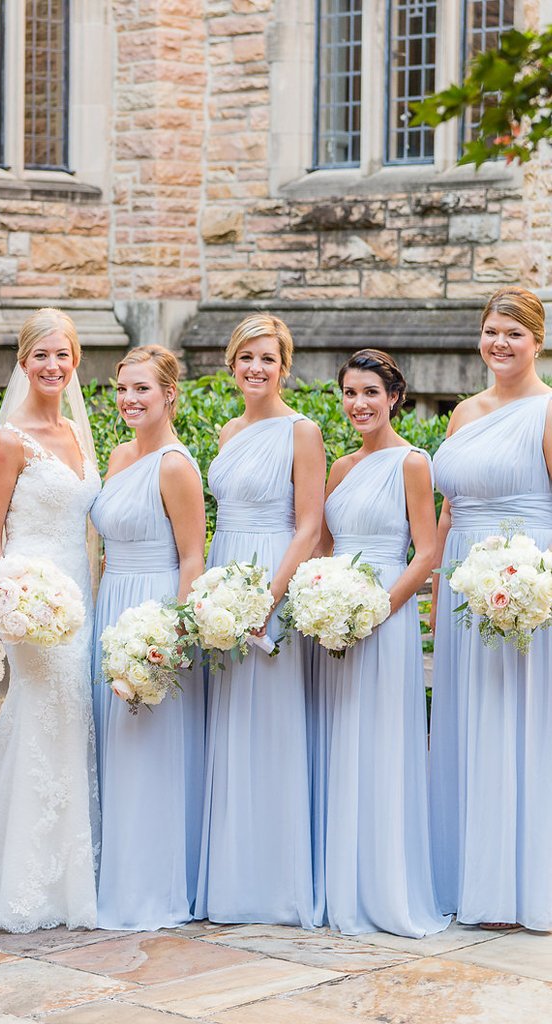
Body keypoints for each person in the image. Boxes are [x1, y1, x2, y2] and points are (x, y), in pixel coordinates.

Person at [0, 308, 101, 932]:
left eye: (62, 355)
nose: (52, 366)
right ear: (24, 364)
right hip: (34, 603)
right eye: (40, 356)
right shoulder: (10, 439)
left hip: (80, 598)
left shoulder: (76, 432)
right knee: (47, 715)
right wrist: (7, 599)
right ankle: (23, 883)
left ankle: (76, 873)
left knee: (75, 721)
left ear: (74, 363)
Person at [310, 349, 448, 937]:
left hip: (383, 623)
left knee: (384, 747)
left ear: (394, 397)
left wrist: (376, 609)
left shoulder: (413, 463)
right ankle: (341, 883)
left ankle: (387, 889)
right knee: (341, 743)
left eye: (370, 393)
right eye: (349, 393)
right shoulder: (338, 469)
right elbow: (321, 547)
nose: (358, 404)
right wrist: (320, 601)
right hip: (336, 624)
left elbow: (428, 552)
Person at [430, 286, 552, 930]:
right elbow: (450, 511)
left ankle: (520, 882)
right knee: (468, 718)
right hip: (462, 589)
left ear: (537, 342)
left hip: (524, 587)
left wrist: (535, 582)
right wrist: (433, 595)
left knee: (516, 720)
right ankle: (467, 874)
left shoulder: (548, 411)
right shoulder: (463, 414)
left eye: (514, 333)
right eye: (491, 332)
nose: (499, 344)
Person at [196, 313, 324, 927]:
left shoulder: (301, 431)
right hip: (227, 577)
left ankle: (276, 886)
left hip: (273, 578)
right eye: (245, 357)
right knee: (228, 722)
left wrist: (268, 599)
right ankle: (232, 879)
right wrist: (216, 593)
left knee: (271, 721)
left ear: (284, 365)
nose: (255, 368)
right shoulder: (225, 432)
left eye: (267, 358)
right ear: (232, 364)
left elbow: (309, 526)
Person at [90, 345, 206, 930]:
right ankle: (116, 874)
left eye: (142, 389)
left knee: (147, 750)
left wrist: (168, 637)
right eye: (122, 389)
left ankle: (150, 889)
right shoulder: (117, 456)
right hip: (112, 603)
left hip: (153, 610)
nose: (130, 400)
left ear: (168, 395)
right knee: (114, 746)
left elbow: (192, 558)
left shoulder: (175, 465)